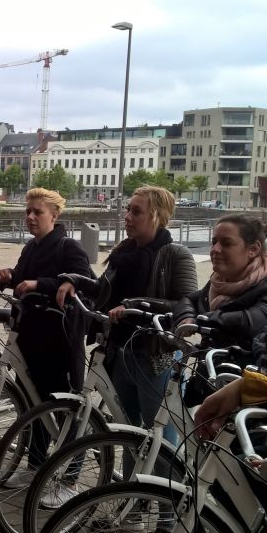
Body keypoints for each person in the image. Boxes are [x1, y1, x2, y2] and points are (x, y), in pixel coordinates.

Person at [60, 186, 197, 436]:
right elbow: (101, 289)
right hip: (121, 351)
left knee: (159, 438)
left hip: (155, 357)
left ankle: (166, 477)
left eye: (136, 212)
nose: (128, 217)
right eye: (127, 210)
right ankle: (131, 477)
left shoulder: (176, 254)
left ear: (156, 215)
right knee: (127, 433)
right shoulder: (122, 252)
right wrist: (73, 280)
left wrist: (133, 305)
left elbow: (185, 303)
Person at [0, 188, 95, 488]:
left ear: (55, 215)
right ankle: (35, 465)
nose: (30, 217)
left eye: (37, 212)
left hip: (60, 340)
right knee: (33, 405)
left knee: (64, 408)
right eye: (28, 212)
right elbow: (24, 277)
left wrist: (43, 283)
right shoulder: (31, 247)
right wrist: (9, 275)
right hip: (31, 336)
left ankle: (70, 479)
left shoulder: (68, 247)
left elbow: (85, 282)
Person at [174, 214, 267, 354]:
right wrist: (186, 317)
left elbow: (252, 320)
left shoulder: (265, 285)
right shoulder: (218, 282)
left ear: (253, 249)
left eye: (226, 243)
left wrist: (201, 320)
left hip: (251, 372)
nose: (215, 250)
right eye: (214, 242)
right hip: (211, 368)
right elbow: (189, 299)